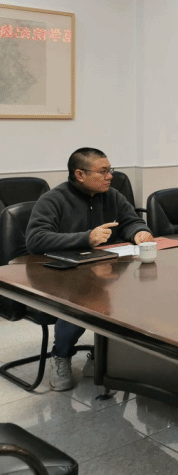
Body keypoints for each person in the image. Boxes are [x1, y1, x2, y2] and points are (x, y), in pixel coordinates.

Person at [25, 147, 153, 390]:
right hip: (61, 272)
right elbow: (36, 239)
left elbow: (131, 220)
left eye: (110, 170)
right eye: (103, 171)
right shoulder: (53, 199)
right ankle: (60, 355)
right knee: (84, 300)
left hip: (103, 269)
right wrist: (86, 238)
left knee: (135, 295)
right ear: (80, 174)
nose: (110, 176)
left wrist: (139, 232)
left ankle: (102, 355)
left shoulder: (112, 195)